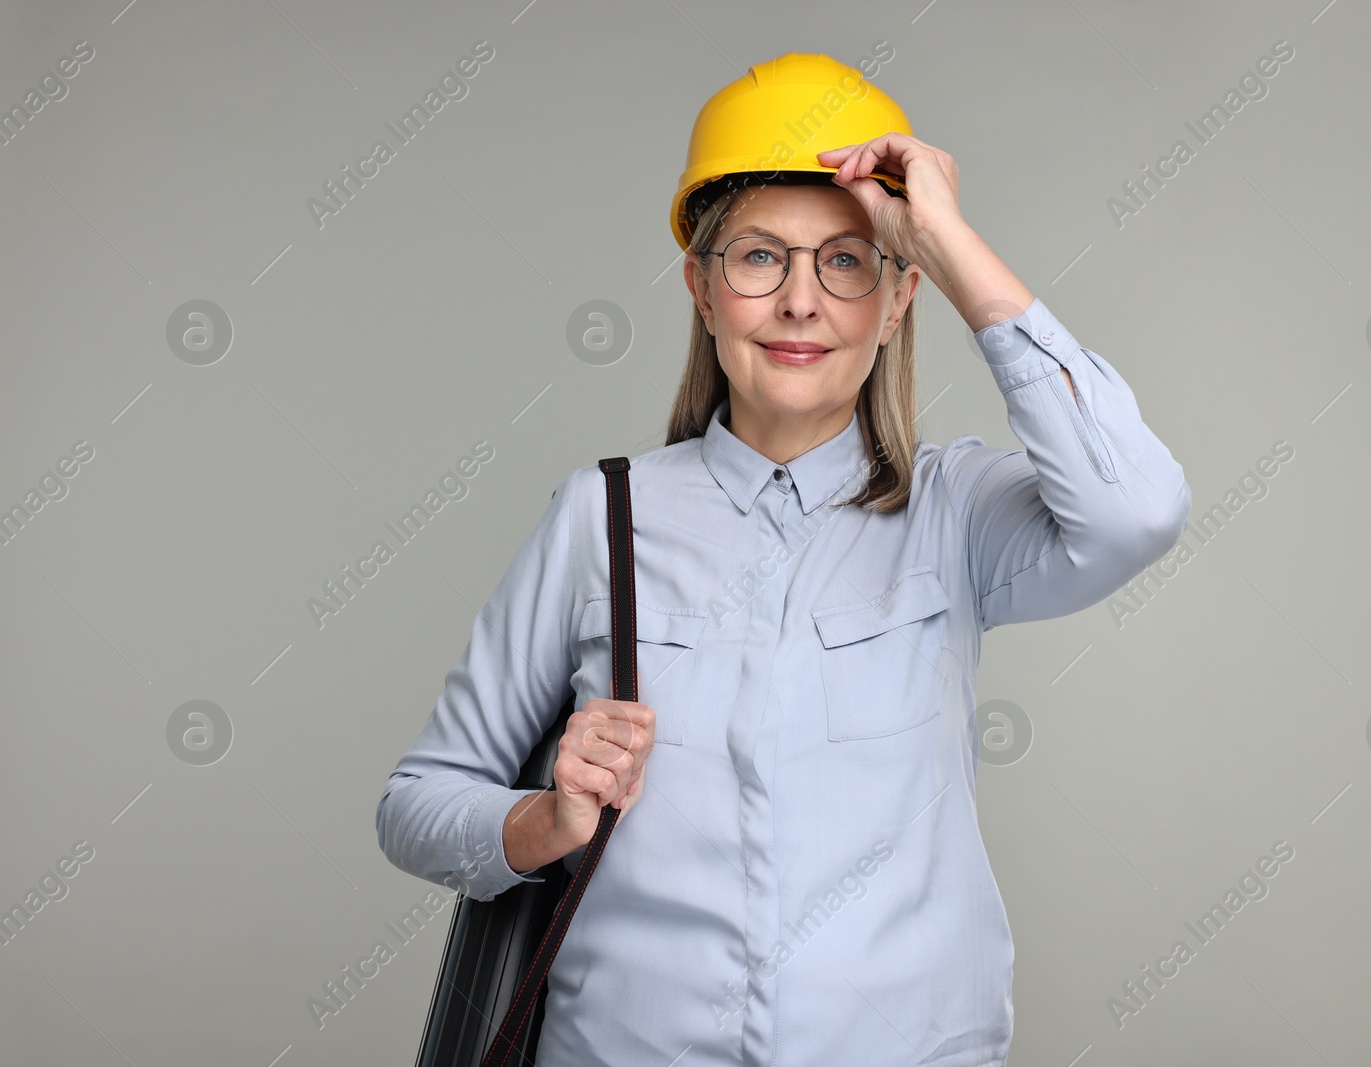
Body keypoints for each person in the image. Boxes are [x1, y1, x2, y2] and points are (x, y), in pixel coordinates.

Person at [377, 53, 1191, 1066]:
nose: (801, 302)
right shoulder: (602, 515)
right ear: (702, 290)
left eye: (847, 262)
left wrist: (943, 239)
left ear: (897, 302)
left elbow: (1139, 509)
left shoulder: (954, 512)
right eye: (759, 258)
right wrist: (548, 816)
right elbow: (418, 804)